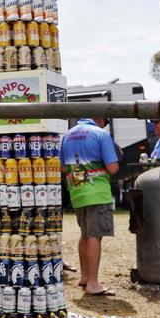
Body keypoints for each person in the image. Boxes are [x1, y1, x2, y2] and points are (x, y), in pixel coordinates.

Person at [61, 117, 119, 296]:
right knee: (95, 235)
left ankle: (85, 277)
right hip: (97, 192)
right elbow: (112, 168)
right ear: (100, 120)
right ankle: (93, 283)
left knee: (85, 234)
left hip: (77, 192)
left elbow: (63, 168)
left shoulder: (67, 136)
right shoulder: (101, 134)